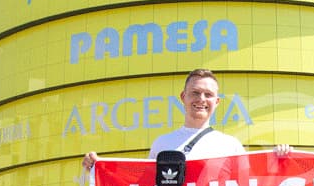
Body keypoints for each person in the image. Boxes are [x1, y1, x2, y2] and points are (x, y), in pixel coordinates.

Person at [83, 68, 290, 168]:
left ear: (217, 102)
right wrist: (100, 168)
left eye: (208, 95)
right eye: (195, 93)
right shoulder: (162, 144)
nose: (201, 99)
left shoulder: (231, 146)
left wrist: (280, 162)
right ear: (183, 97)